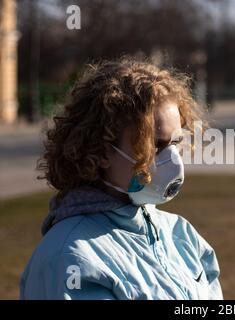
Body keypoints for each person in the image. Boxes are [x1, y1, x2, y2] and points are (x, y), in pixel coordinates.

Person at [20, 57, 223, 300]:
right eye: (155, 145)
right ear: (102, 150)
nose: (173, 159)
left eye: (176, 142)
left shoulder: (181, 235)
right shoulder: (71, 258)